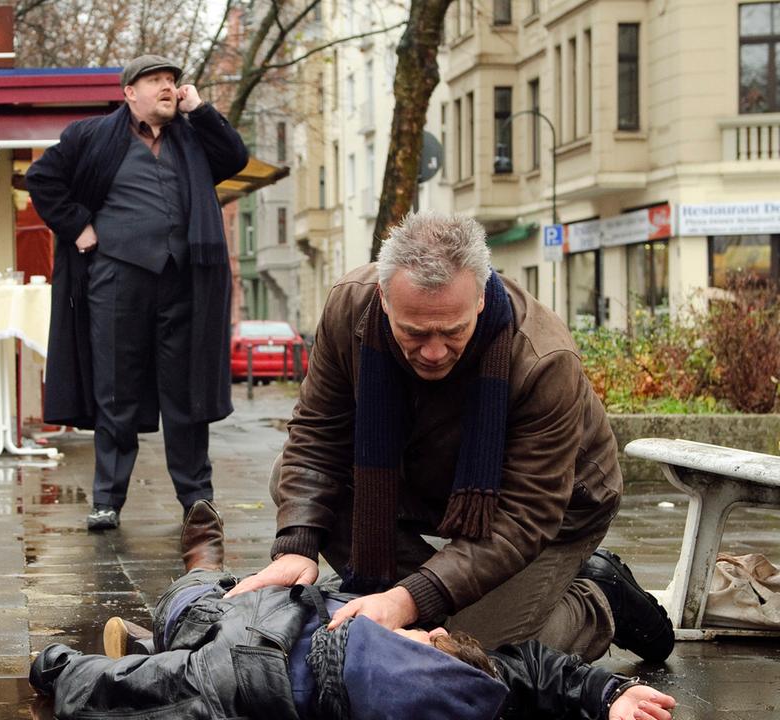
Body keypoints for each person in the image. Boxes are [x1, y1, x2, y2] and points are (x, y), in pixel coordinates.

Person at [227, 211, 675, 664]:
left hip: (550, 511)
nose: (434, 352)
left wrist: (404, 602)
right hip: (427, 483)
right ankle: (420, 594)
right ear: (383, 298)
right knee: (289, 476)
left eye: (453, 331)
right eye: (415, 333)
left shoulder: (543, 359)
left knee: (461, 653)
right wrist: (296, 545)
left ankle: (598, 597)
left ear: (480, 299)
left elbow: (525, 516)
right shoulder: (349, 307)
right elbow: (318, 433)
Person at [26, 55, 249, 538]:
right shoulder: (92, 135)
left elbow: (235, 158)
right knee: (114, 389)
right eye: (156, 82)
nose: (168, 88)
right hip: (116, 280)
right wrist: (77, 227)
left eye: (171, 80)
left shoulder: (191, 136)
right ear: (129, 92)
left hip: (182, 279)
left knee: (186, 392)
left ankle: (196, 498)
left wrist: (202, 108)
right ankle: (107, 500)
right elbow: (42, 179)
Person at [29, 565, 678, 720]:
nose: (425, 631)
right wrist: (611, 693)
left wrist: (58, 668)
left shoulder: (249, 670)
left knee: (195, 598)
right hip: (261, 624)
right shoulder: (463, 692)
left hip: (238, 626)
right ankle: (155, 638)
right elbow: (523, 671)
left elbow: (112, 691)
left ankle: (595, 583)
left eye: (426, 636)